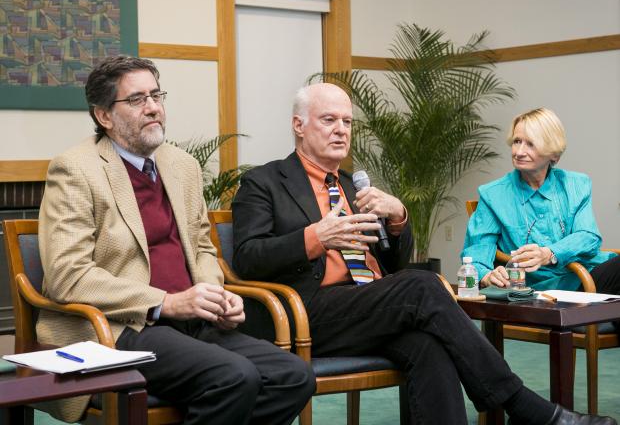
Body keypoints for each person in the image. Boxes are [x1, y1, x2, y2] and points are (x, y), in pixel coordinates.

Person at [232, 83, 616, 425]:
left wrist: (399, 220)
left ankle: (525, 409)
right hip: (306, 310)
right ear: (299, 125)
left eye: (348, 122)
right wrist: (315, 236)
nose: (341, 130)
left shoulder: (351, 187)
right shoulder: (263, 182)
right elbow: (248, 257)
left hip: (365, 305)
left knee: (428, 346)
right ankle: (525, 405)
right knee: (425, 284)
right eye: (329, 120)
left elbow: (391, 265)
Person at [37, 55, 315, 425]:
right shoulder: (76, 169)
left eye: (156, 95)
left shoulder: (181, 165)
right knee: (233, 377)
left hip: (194, 321)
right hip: (123, 326)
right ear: (104, 116)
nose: (153, 108)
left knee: (294, 377)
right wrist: (165, 303)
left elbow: (202, 248)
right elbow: (67, 275)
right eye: (137, 100)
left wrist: (216, 295)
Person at [462, 108, 619, 296]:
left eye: (530, 144)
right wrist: (487, 275)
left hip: (586, 277)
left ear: (553, 154)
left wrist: (549, 253)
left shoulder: (576, 185)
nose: (519, 152)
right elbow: (476, 252)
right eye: (517, 141)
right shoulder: (493, 195)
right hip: (535, 287)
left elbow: (589, 236)